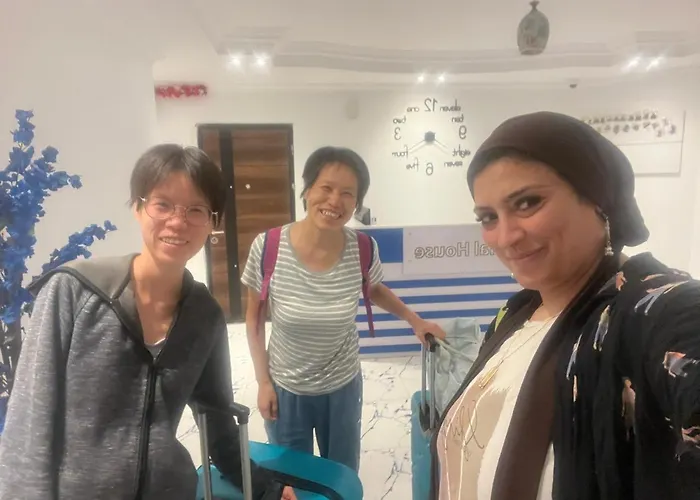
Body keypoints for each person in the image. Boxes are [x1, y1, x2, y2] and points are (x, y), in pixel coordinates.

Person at [429, 111, 700, 500]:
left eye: (527, 203)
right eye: (488, 217)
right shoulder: (514, 315)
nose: (505, 237)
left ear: (598, 199)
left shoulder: (653, 309)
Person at [0, 144, 296, 500]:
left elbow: (217, 425)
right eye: (163, 204)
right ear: (138, 208)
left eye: (196, 210)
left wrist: (267, 489)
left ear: (213, 223)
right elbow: (29, 424)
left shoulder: (205, 316)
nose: (177, 221)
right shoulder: (73, 291)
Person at [241, 146, 446, 472]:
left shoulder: (362, 248)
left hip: (342, 387)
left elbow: (374, 288)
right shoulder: (268, 247)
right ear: (307, 190)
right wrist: (263, 382)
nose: (335, 201)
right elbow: (254, 319)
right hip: (286, 387)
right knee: (293, 479)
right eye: (326, 188)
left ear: (356, 202)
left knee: (341, 476)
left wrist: (414, 320)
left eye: (348, 193)